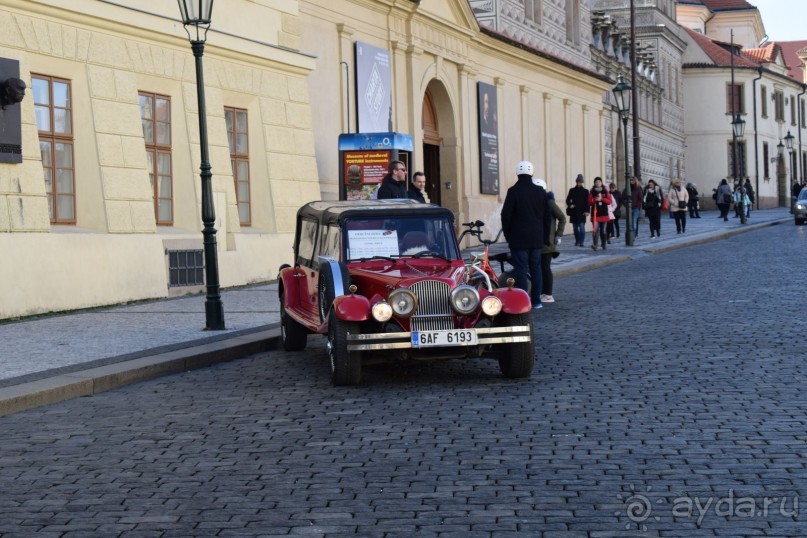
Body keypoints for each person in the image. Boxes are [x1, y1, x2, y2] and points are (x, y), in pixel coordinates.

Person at [502, 160, 551, 310]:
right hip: (536, 238)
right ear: (532, 173)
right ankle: (537, 300)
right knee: (536, 268)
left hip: (518, 238)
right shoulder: (540, 192)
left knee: (521, 269)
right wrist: (545, 237)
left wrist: (508, 234)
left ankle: (524, 301)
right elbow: (547, 217)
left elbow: (506, 215)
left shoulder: (513, 191)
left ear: (517, 173)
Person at [533, 179, 565, 304]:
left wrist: (559, 235)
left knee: (545, 267)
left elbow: (562, 217)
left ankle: (548, 294)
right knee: (539, 267)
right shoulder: (537, 202)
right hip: (537, 240)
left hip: (548, 241)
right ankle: (542, 292)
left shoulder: (549, 202)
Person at [587, 177, 612, 251]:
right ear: (594, 183)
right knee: (595, 230)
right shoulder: (592, 192)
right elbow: (589, 202)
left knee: (603, 231)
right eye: (596, 182)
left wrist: (602, 199)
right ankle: (595, 245)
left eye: (599, 182)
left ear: (601, 183)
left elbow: (609, 201)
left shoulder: (605, 191)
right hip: (596, 215)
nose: (597, 183)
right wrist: (595, 199)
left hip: (604, 214)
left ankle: (604, 244)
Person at [565, 174, 589, 247]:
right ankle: (577, 241)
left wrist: (587, 211)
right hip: (574, 212)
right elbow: (567, 200)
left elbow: (587, 203)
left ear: (582, 182)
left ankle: (581, 242)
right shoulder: (572, 190)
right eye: (578, 181)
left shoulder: (585, 191)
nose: (579, 183)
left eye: (580, 182)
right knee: (575, 228)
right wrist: (570, 205)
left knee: (582, 228)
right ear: (576, 181)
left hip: (582, 212)